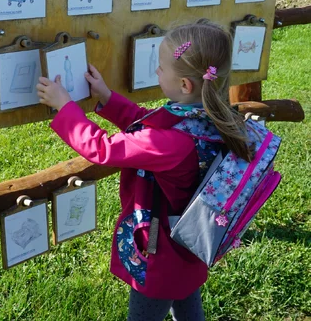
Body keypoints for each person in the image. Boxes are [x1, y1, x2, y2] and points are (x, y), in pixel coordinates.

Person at [36, 20, 253, 321]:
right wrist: (108, 98)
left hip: (159, 246)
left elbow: (104, 149)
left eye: (160, 68)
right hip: (188, 242)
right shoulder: (209, 115)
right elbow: (147, 121)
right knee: (186, 295)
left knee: (151, 301)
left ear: (185, 85)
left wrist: (65, 106)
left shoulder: (172, 142)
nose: (156, 72)